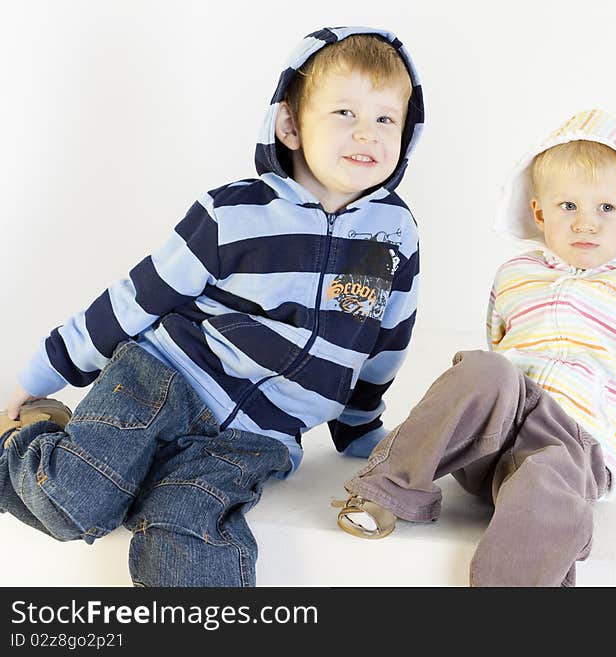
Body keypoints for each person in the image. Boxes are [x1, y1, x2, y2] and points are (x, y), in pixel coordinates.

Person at [0, 26, 425, 587]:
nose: (366, 133)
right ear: (291, 125)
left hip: (259, 438)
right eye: (344, 112)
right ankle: (20, 440)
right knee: (72, 500)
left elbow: (384, 340)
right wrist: (36, 376)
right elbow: (136, 297)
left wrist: (359, 425)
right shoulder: (233, 213)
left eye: (385, 119)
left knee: (187, 540)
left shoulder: (394, 237)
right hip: (164, 381)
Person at [333, 109, 616, 587]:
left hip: (574, 441)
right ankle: (388, 491)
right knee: (484, 367)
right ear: (539, 212)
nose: (586, 224)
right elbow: (495, 346)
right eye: (567, 207)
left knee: (545, 478)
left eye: (606, 208)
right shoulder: (515, 274)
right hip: (491, 438)